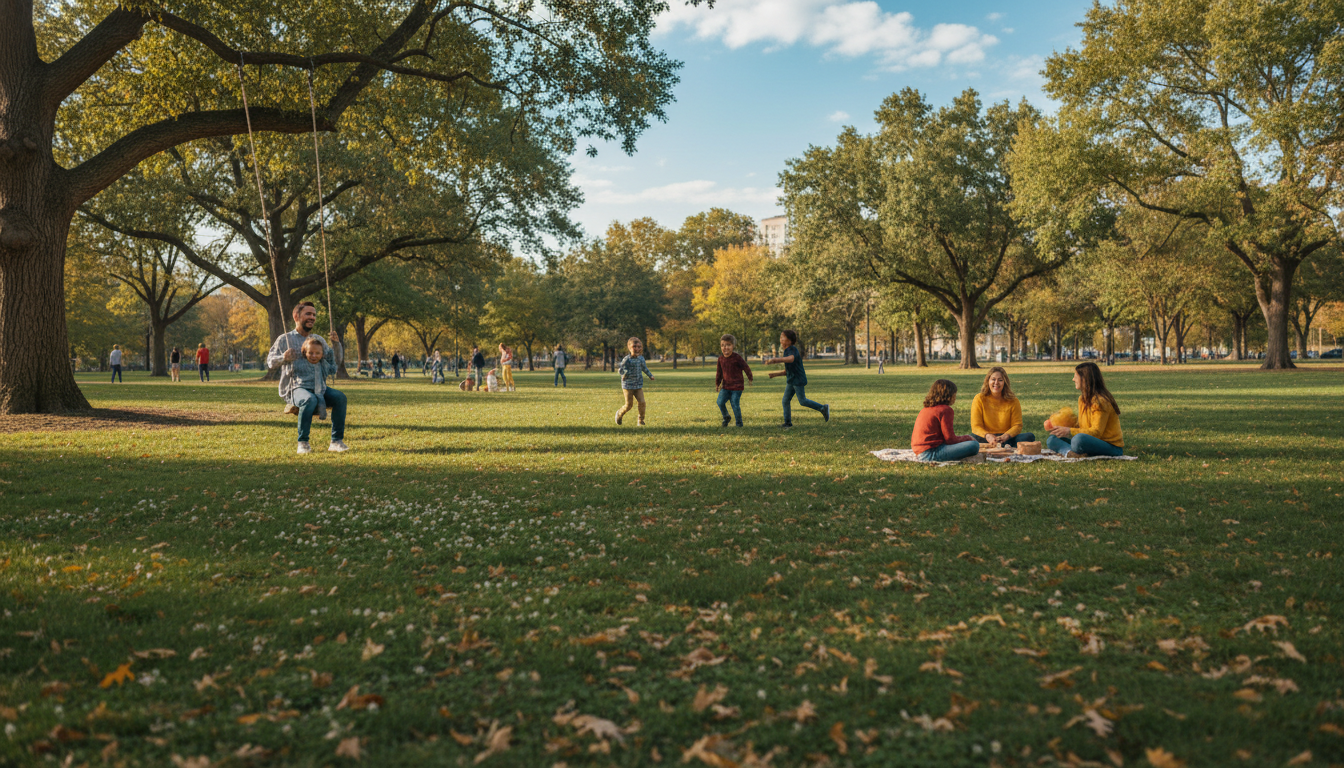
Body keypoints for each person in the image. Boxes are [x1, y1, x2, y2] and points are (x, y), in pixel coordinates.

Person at [266, 301, 349, 454]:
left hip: (318, 386)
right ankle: (303, 443)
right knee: (309, 399)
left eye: (314, 315)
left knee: (340, 398)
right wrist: (283, 357)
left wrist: (336, 345)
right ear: (296, 316)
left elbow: (335, 360)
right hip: (296, 387)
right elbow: (270, 363)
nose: (312, 317)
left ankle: (336, 441)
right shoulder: (285, 339)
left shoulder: (318, 340)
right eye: (308, 314)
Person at [1047, 362, 1124, 458]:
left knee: (1078, 440)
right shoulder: (1082, 399)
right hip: (1088, 441)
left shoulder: (1101, 402)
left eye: (1075, 376)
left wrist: (1070, 431)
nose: (1073, 379)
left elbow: (1096, 433)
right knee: (1052, 439)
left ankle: (1074, 450)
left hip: (1110, 447)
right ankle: (1070, 453)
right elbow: (1082, 426)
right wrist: (1060, 427)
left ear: (1085, 379)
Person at [761, 330, 829, 428]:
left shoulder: (792, 349)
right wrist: (775, 375)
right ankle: (787, 423)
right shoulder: (786, 351)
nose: (780, 339)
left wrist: (776, 360)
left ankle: (823, 408)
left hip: (797, 380)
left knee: (802, 401)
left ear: (789, 340)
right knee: (785, 401)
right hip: (791, 380)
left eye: (782, 337)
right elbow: (786, 371)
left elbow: (791, 359)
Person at [911, 379, 979, 462]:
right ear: (949, 395)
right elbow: (950, 440)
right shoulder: (945, 410)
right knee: (974, 445)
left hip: (919, 452)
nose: (955, 397)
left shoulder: (925, 409)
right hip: (931, 454)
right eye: (955, 394)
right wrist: (967, 438)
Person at [971, 366, 1035, 448]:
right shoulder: (979, 398)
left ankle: (1001, 445)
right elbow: (976, 426)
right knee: (968, 439)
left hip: (1007, 437)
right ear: (988, 381)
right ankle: (1005, 446)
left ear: (1005, 382)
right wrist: (988, 436)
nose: (996, 383)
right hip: (986, 437)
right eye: (993, 379)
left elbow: (1017, 425)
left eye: (1000, 380)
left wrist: (1006, 436)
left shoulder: (1013, 401)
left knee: (1029, 436)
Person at [714, 334, 753, 427]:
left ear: (733, 346)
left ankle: (739, 423)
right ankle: (726, 416)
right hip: (726, 386)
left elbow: (746, 367)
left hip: (737, 386)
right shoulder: (720, 359)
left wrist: (750, 378)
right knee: (720, 402)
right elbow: (719, 373)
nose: (725, 347)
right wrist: (717, 384)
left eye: (728, 345)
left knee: (734, 404)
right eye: (723, 345)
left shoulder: (737, 357)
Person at [614, 337, 654, 426]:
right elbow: (621, 370)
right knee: (629, 405)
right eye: (634, 346)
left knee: (642, 402)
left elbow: (644, 368)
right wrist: (624, 374)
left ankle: (641, 420)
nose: (637, 349)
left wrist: (650, 375)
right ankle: (619, 414)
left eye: (639, 347)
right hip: (628, 386)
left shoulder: (641, 359)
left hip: (638, 385)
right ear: (629, 347)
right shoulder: (627, 359)